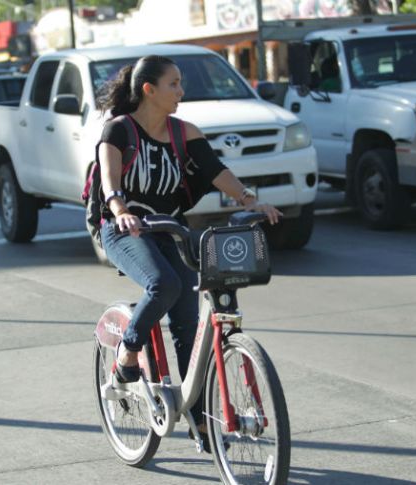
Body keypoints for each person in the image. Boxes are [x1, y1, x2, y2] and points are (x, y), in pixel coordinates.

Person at [95, 55, 283, 451]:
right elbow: (110, 184)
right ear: (149, 90)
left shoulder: (185, 133)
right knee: (162, 284)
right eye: (174, 84)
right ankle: (128, 352)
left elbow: (217, 172)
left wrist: (251, 201)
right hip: (122, 228)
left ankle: (201, 421)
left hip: (170, 229)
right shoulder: (119, 131)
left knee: (188, 322)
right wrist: (121, 210)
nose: (181, 91)